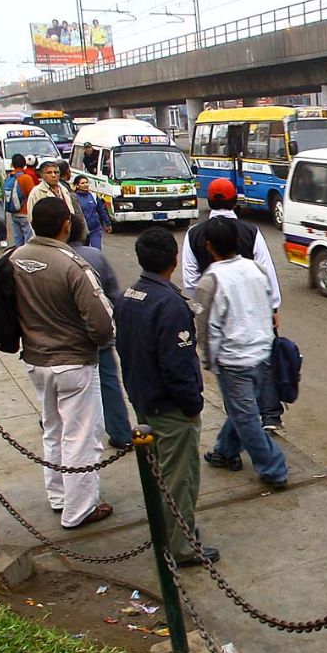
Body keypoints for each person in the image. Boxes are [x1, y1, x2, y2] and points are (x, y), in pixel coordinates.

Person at [115, 226, 218, 566]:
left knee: (160, 474)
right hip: (170, 407)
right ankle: (181, 547)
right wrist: (192, 406)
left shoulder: (130, 294)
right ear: (174, 260)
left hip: (143, 399)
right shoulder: (170, 304)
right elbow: (176, 365)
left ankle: (168, 532)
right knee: (179, 478)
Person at [14, 196, 115, 528]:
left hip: (35, 359)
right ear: (65, 225)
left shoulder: (16, 258)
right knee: (81, 436)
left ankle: (58, 495)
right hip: (73, 362)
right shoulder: (72, 265)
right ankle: (80, 509)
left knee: (53, 429)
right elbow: (101, 323)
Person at [180, 177, 284, 432]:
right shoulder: (251, 231)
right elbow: (266, 271)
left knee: (230, 361)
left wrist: (207, 299)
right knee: (263, 354)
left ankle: (237, 415)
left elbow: (190, 278)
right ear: (235, 199)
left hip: (218, 309)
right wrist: (273, 307)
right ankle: (270, 415)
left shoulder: (194, 233)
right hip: (256, 304)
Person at [192, 216, 287, 489]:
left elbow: (205, 327)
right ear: (237, 241)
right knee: (243, 410)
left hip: (234, 362)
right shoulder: (255, 269)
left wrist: (209, 361)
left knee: (246, 417)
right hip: (262, 353)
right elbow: (269, 306)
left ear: (208, 246)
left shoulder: (210, 281)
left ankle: (274, 468)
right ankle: (225, 450)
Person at [70, 232, 133, 450]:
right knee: (108, 384)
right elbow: (114, 296)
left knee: (65, 391)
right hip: (99, 336)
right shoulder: (95, 256)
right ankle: (121, 433)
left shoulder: (47, 259)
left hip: (64, 344)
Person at [25, 160, 89, 245]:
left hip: (66, 233)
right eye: (49, 172)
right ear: (42, 175)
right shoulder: (36, 192)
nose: (53, 175)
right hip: (48, 237)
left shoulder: (63, 189)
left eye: (56, 172)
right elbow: (32, 218)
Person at [71, 173, 111, 250]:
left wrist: (107, 223)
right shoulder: (74, 197)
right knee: (84, 252)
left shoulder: (93, 195)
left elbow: (101, 210)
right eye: (82, 183)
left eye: (86, 182)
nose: (85, 184)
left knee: (97, 250)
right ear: (77, 185)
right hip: (82, 230)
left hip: (95, 229)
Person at [5, 155, 37, 246]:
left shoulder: (9, 177)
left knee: (18, 239)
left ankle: (17, 257)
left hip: (14, 212)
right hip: (25, 212)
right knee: (29, 239)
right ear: (24, 164)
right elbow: (32, 195)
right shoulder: (26, 178)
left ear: (12, 164)